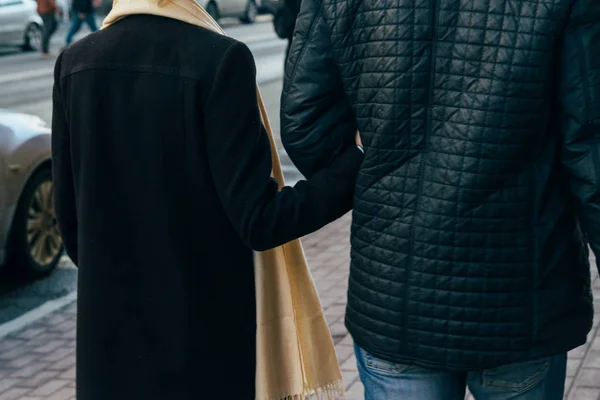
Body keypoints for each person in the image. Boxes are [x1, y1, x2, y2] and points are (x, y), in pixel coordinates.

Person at [281, 0, 600, 399]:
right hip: (520, 293)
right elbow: (589, 143)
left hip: (394, 288)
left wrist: (378, 178)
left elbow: (305, 123)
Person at [51, 6, 363, 399]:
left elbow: (71, 223)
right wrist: (354, 167)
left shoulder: (75, 62)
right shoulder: (218, 57)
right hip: (201, 338)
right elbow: (261, 220)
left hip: (110, 344)